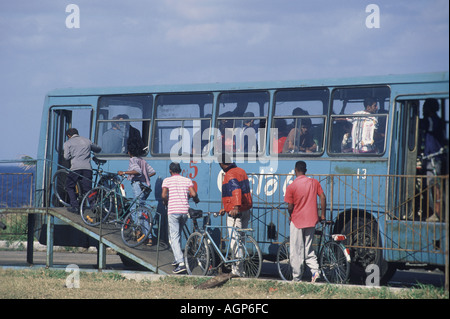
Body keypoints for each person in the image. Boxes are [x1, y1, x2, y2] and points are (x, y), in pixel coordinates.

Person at [284, 161, 326, 282]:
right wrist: (322, 215)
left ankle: (297, 277)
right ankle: (315, 271)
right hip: (312, 220)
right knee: (308, 248)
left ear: (295, 170)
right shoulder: (314, 182)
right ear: (305, 170)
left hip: (297, 221)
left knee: (296, 250)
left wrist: (290, 215)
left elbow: (290, 207)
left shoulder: (292, 186)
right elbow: (323, 197)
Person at [218, 155, 253, 276]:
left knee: (234, 242)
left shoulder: (230, 174)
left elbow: (236, 190)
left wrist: (235, 207)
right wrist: (226, 207)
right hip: (246, 210)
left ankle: (236, 271)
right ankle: (241, 270)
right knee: (241, 240)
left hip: (236, 213)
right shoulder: (241, 171)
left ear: (223, 164)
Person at [161, 162, 199, 274]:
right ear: (180, 170)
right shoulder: (187, 180)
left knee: (174, 236)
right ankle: (177, 258)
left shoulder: (167, 180)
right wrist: (192, 198)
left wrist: (165, 202)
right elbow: (193, 193)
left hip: (173, 211)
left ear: (170, 171)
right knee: (177, 235)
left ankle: (181, 263)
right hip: (184, 211)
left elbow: (163, 195)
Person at [118, 139, 156, 245]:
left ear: (130, 152)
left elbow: (137, 171)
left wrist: (124, 172)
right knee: (140, 209)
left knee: (138, 211)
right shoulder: (142, 160)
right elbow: (152, 172)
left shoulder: (133, 160)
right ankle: (144, 234)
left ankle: (144, 234)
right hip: (146, 187)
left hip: (138, 186)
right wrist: (144, 177)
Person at [63, 128, 102, 213]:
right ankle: (93, 206)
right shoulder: (87, 141)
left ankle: (75, 206)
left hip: (75, 168)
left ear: (69, 136)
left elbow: (66, 157)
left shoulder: (68, 143)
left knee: (69, 186)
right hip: (87, 168)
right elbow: (98, 149)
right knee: (88, 188)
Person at [419, 98, 446, 222]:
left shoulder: (432, 121)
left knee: (435, 186)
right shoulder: (435, 121)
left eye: (424, 107)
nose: (423, 109)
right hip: (430, 158)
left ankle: (438, 213)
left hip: (434, 159)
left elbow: (421, 124)